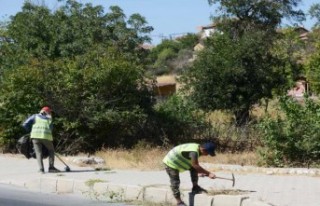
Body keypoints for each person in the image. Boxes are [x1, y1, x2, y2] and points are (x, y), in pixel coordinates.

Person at [22, 106, 60, 173]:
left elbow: (25, 124)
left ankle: (41, 169)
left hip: (35, 136)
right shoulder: (49, 119)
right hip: (46, 137)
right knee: (51, 150)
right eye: (49, 112)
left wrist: (30, 130)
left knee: (38, 153)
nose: (50, 113)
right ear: (46, 112)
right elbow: (51, 129)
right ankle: (51, 168)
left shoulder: (34, 116)